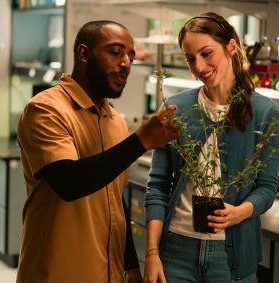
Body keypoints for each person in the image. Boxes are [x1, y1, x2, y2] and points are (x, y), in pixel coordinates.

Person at [16, 20, 178, 283]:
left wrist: (131, 265)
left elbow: (115, 200)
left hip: (108, 272)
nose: (126, 62)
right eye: (115, 52)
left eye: (131, 56)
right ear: (83, 53)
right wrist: (141, 141)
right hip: (57, 272)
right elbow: (69, 182)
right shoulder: (46, 110)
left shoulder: (115, 120)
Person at [143, 12, 279, 283]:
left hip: (232, 256)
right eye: (190, 58)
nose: (199, 66)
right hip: (176, 251)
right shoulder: (175, 109)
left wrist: (238, 213)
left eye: (207, 53)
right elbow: (158, 185)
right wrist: (151, 253)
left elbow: (267, 187)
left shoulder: (266, 114)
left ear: (231, 46)